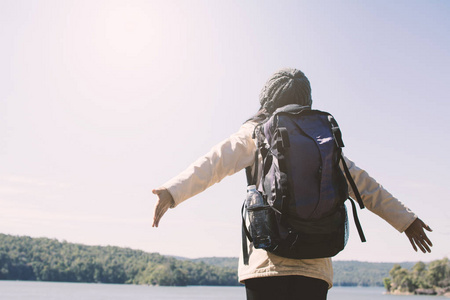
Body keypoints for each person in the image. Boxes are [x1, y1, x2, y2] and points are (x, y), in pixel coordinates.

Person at [152, 68, 433, 300]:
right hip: (315, 265)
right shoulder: (322, 139)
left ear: (267, 98)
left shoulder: (256, 131)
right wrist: (406, 220)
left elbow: (214, 162)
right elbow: (366, 187)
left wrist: (172, 191)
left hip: (266, 264)